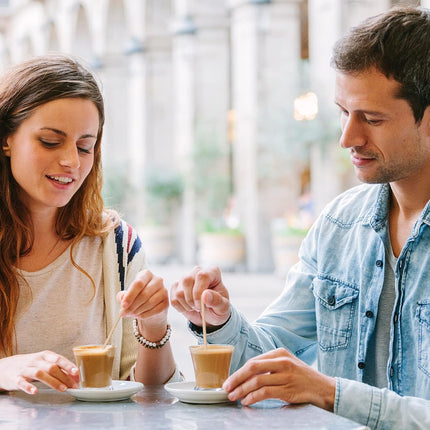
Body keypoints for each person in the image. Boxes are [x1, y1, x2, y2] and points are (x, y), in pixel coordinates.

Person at [170, 6, 430, 429]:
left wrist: (333, 394)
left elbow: (320, 390)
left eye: (372, 118)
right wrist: (219, 320)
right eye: (343, 112)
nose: (348, 137)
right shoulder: (338, 225)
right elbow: (271, 361)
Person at [0, 54, 181, 395]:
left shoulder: (117, 245)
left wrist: (154, 326)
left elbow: (151, 393)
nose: (71, 161)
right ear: (6, 138)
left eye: (85, 146)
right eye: (50, 142)